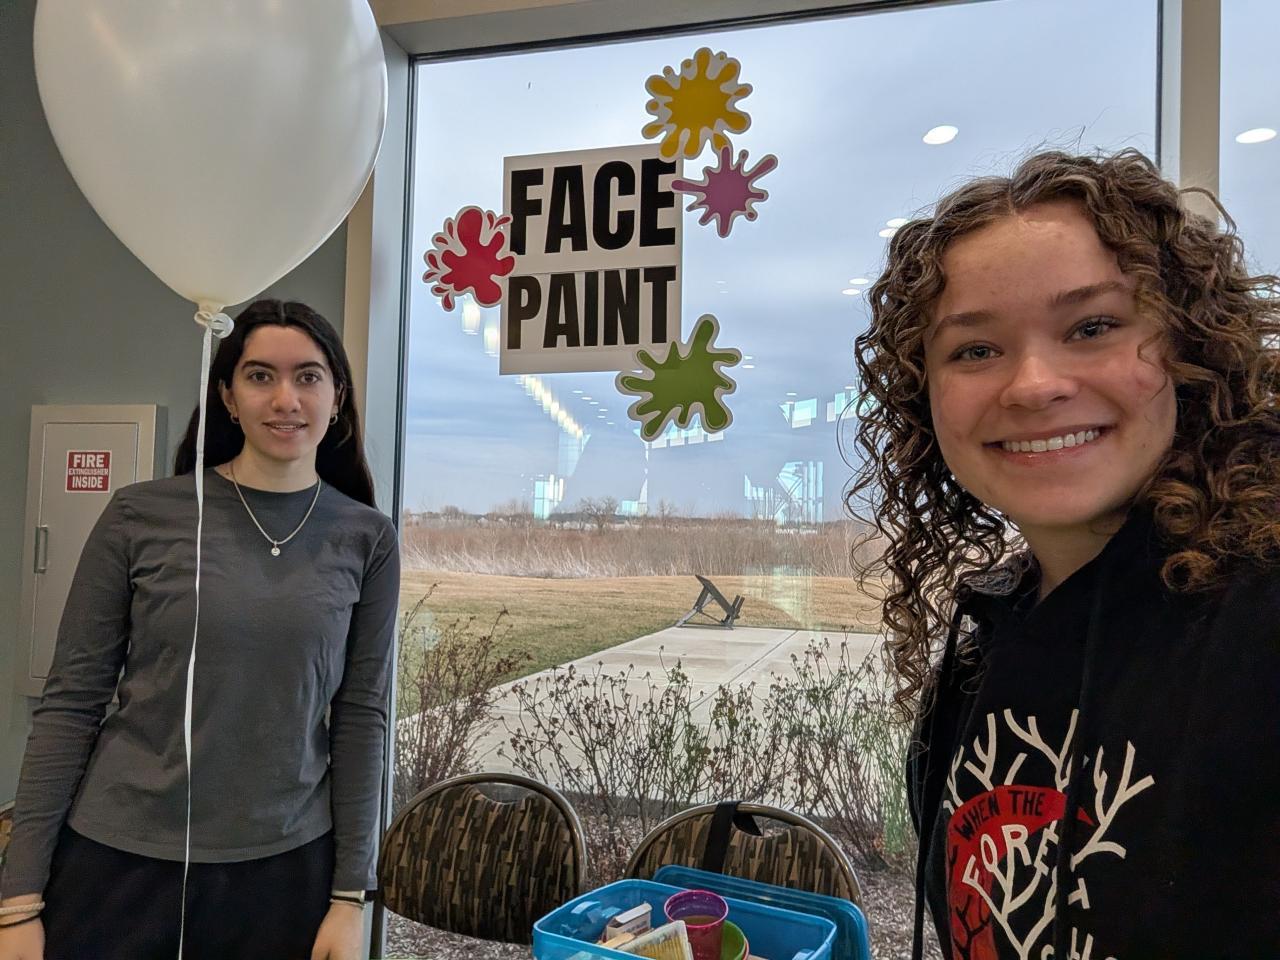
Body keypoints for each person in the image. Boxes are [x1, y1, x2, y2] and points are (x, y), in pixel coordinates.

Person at [845, 150, 1280, 959]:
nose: (1033, 385)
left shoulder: (1256, 626)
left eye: (1092, 328)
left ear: (1193, 349)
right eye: (976, 350)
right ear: (924, 397)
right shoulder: (983, 649)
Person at [0, 300, 400, 960]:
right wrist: (18, 902)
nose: (286, 399)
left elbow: (361, 718)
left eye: (308, 376)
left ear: (337, 398)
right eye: (260, 376)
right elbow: (70, 705)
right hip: (118, 864)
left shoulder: (367, 538)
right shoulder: (139, 516)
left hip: (284, 874)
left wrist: (350, 897)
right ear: (228, 398)